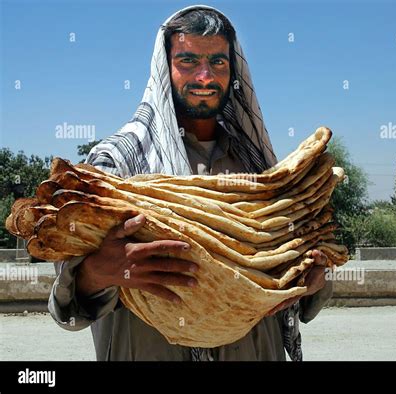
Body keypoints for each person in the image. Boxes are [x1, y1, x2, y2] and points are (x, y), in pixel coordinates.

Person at [48, 5, 333, 361]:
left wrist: (314, 279)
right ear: (164, 71)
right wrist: (95, 273)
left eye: (217, 62)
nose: (204, 77)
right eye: (187, 61)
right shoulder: (115, 164)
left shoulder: (260, 167)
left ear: (234, 70)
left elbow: (297, 286)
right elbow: (67, 307)